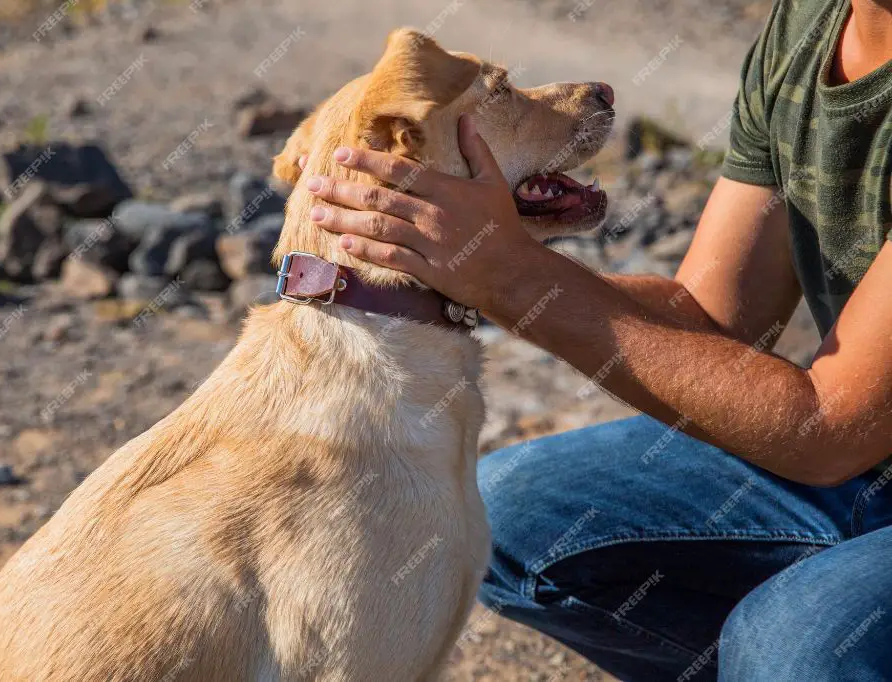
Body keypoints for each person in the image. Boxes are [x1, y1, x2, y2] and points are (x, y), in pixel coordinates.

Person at [301, 0, 892, 679]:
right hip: (861, 474)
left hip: (843, 449)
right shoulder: (809, 26)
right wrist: (459, 263)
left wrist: (510, 276)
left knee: (791, 637)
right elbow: (709, 321)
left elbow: (827, 430)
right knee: (504, 516)